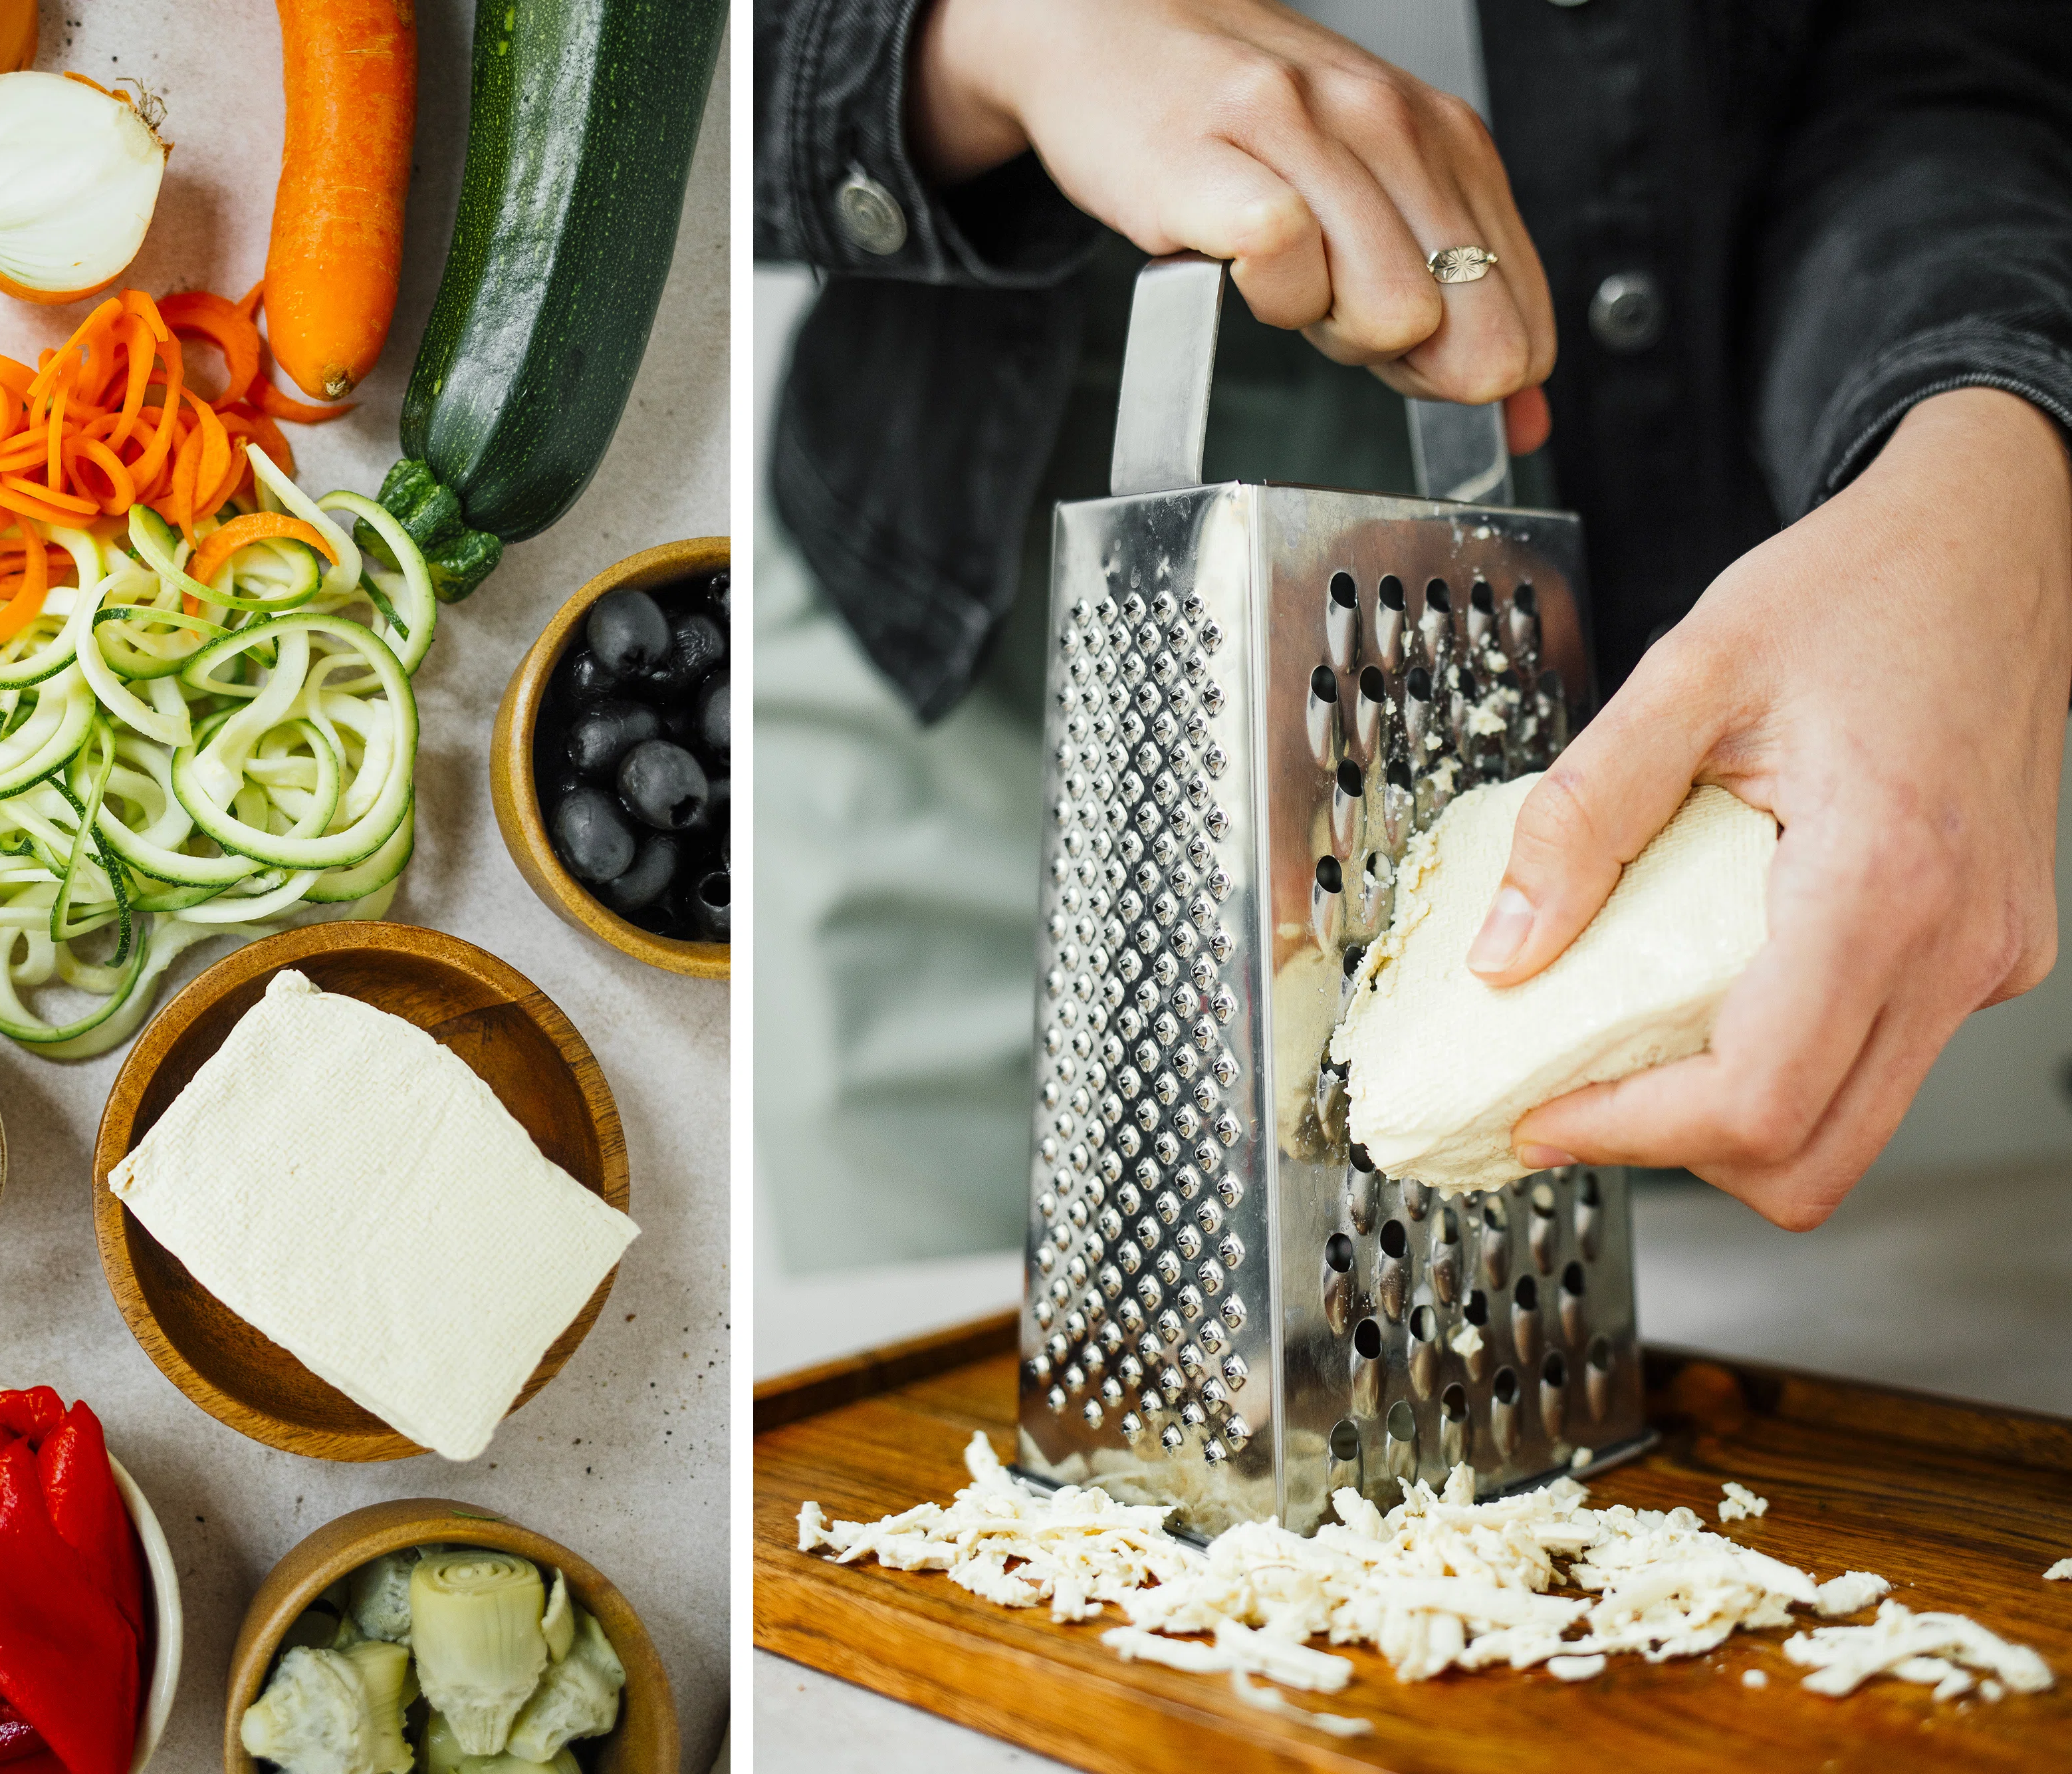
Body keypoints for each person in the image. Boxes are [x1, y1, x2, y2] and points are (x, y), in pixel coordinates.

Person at [754, 0, 2072, 1237]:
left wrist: (1981, 467)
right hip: (972, 712)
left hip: (1717, 664)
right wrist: (986, 33)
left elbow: (1956, 61)